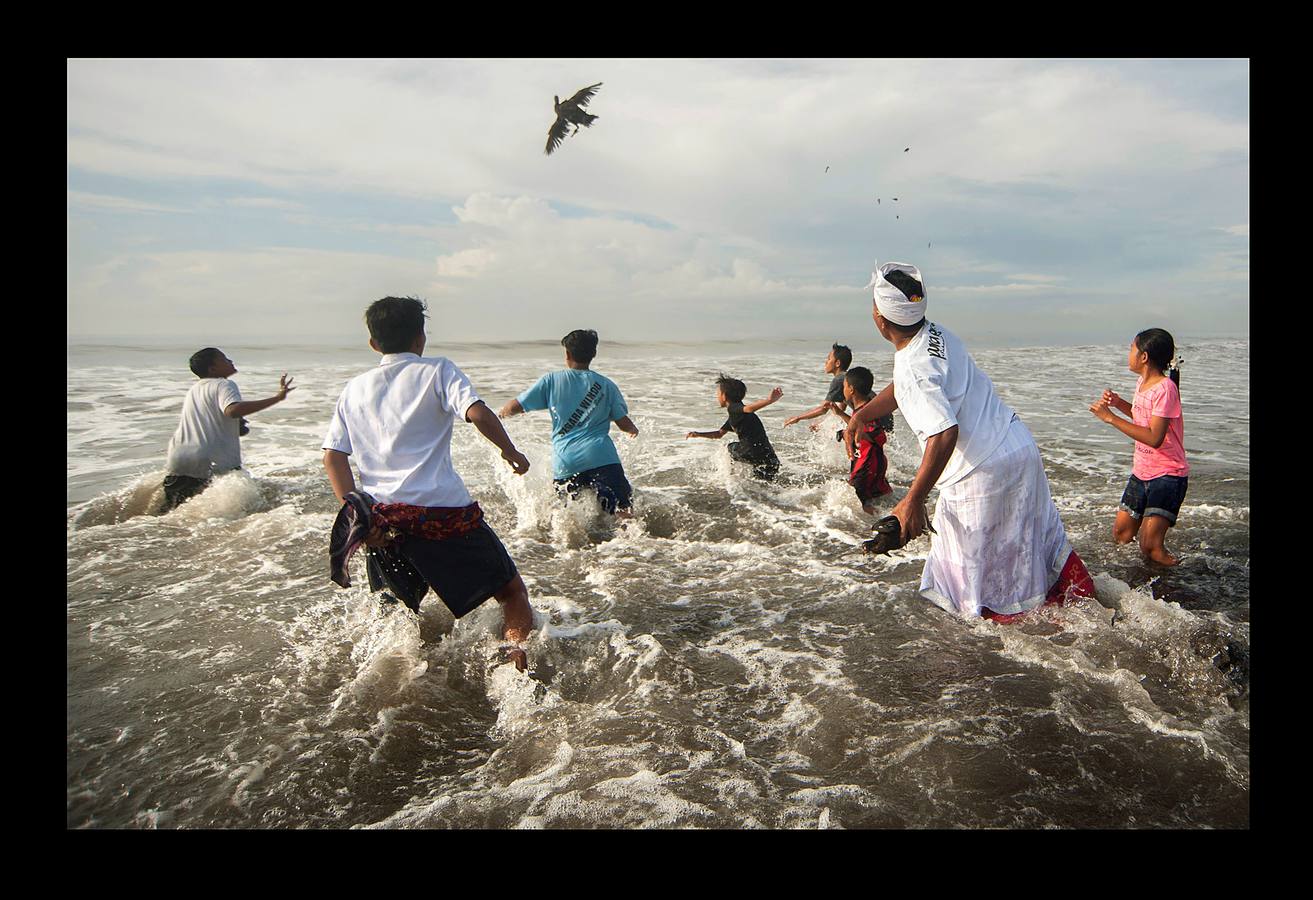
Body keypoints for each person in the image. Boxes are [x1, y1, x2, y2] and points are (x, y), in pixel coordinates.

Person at [844, 262, 1094, 621]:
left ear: (880, 320)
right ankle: (1093, 612)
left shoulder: (912, 366)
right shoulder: (936, 334)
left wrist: (912, 500)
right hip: (1017, 448)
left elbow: (944, 431)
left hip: (982, 474)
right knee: (1037, 546)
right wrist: (862, 414)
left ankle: (1025, 656)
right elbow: (909, 386)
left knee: (971, 587)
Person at [322, 296, 535, 669]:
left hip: (383, 520)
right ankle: (515, 664)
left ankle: (398, 682)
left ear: (373, 343)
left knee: (398, 617)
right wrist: (510, 451)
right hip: (444, 515)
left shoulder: (353, 389)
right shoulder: (437, 371)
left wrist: (357, 510)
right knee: (512, 593)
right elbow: (478, 413)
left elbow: (333, 457)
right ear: (421, 338)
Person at [498, 329, 639, 516]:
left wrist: (498, 416)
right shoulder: (606, 385)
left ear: (567, 354)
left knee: (568, 519)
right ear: (594, 354)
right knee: (623, 512)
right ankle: (625, 545)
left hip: (566, 463)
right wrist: (632, 430)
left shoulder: (551, 381)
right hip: (602, 457)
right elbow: (623, 423)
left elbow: (514, 407)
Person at [1089, 329, 1188, 566]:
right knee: (1122, 534)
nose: (1129, 353)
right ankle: (1138, 579)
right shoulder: (1143, 382)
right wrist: (1118, 404)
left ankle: (1183, 579)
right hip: (1142, 472)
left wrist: (1110, 418)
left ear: (1144, 357)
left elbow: (1154, 437)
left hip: (1167, 475)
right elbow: (1141, 416)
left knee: (1150, 546)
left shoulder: (1165, 389)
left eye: (1132, 348)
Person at [162, 348, 294, 511]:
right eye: (224, 359)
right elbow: (232, 411)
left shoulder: (194, 389)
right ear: (213, 369)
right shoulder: (224, 384)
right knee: (228, 515)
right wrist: (277, 398)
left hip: (179, 458)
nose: (230, 361)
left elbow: (211, 419)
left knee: (172, 513)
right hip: (211, 461)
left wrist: (238, 426)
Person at [686, 375, 784, 480]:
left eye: (718, 394)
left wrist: (769, 400)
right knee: (765, 484)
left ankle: (729, 478)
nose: (717, 396)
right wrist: (698, 434)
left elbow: (749, 409)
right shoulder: (736, 415)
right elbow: (719, 434)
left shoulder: (734, 409)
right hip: (768, 456)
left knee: (728, 448)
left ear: (724, 396)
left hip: (749, 451)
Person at [843, 366, 893, 514]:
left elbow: (877, 435)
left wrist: (853, 434)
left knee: (861, 504)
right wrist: (840, 413)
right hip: (872, 462)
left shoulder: (866, 412)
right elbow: (854, 425)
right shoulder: (863, 410)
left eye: (844, 386)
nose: (843, 390)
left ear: (851, 389)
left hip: (867, 463)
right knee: (879, 496)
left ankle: (867, 527)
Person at [783, 343, 852, 431]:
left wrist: (798, 418)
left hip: (867, 416)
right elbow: (841, 408)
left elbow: (823, 409)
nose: (826, 362)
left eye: (829, 358)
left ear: (837, 363)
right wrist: (821, 425)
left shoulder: (839, 379)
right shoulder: (846, 377)